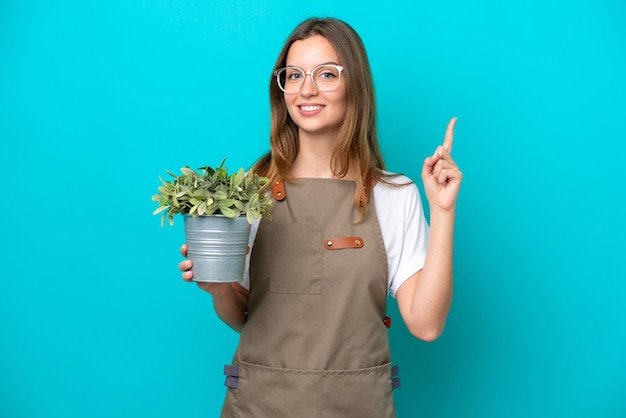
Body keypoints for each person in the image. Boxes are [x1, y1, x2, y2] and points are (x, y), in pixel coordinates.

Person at [178, 17, 462, 417]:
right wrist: (219, 289)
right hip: (258, 406)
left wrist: (443, 210)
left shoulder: (393, 195)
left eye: (326, 74)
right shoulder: (249, 192)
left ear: (355, 85)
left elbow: (426, 324)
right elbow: (243, 317)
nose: (306, 89)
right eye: (293, 75)